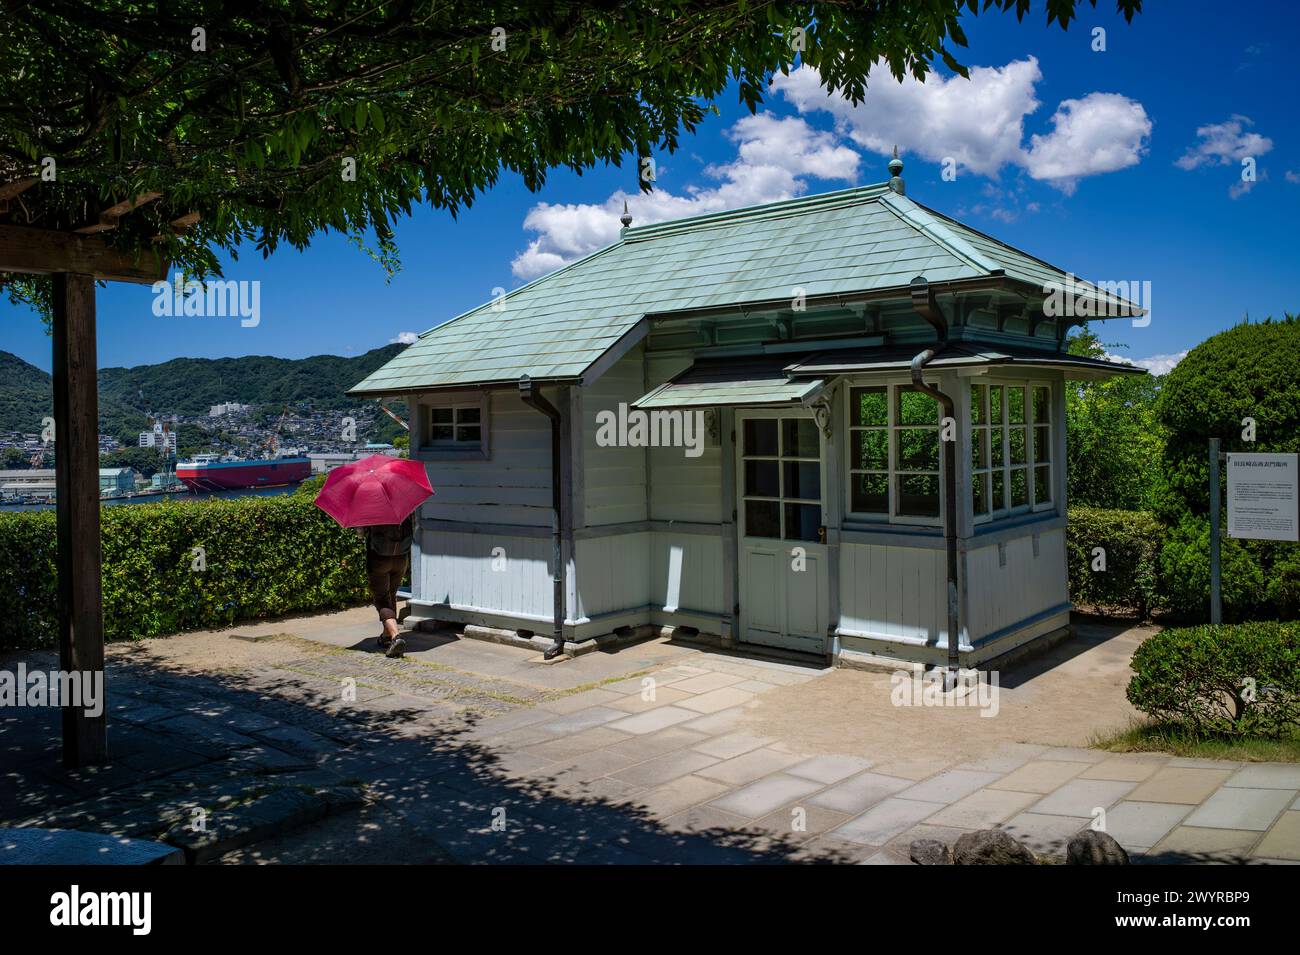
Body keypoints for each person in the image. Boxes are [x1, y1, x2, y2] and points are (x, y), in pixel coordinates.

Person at [361, 514, 413, 657]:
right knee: (391, 594)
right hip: (401, 558)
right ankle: (387, 636)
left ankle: (396, 637)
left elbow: (360, 533)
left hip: (379, 558)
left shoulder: (371, 508)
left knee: (382, 599)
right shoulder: (402, 506)